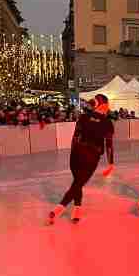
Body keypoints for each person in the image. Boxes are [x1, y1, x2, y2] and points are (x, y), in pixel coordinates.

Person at [48, 94, 114, 225]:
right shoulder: (107, 122)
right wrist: (111, 163)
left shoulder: (83, 117)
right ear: (104, 105)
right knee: (78, 184)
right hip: (91, 155)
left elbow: (75, 137)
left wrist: (73, 154)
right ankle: (60, 207)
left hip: (76, 153)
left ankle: (77, 209)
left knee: (77, 182)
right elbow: (109, 144)